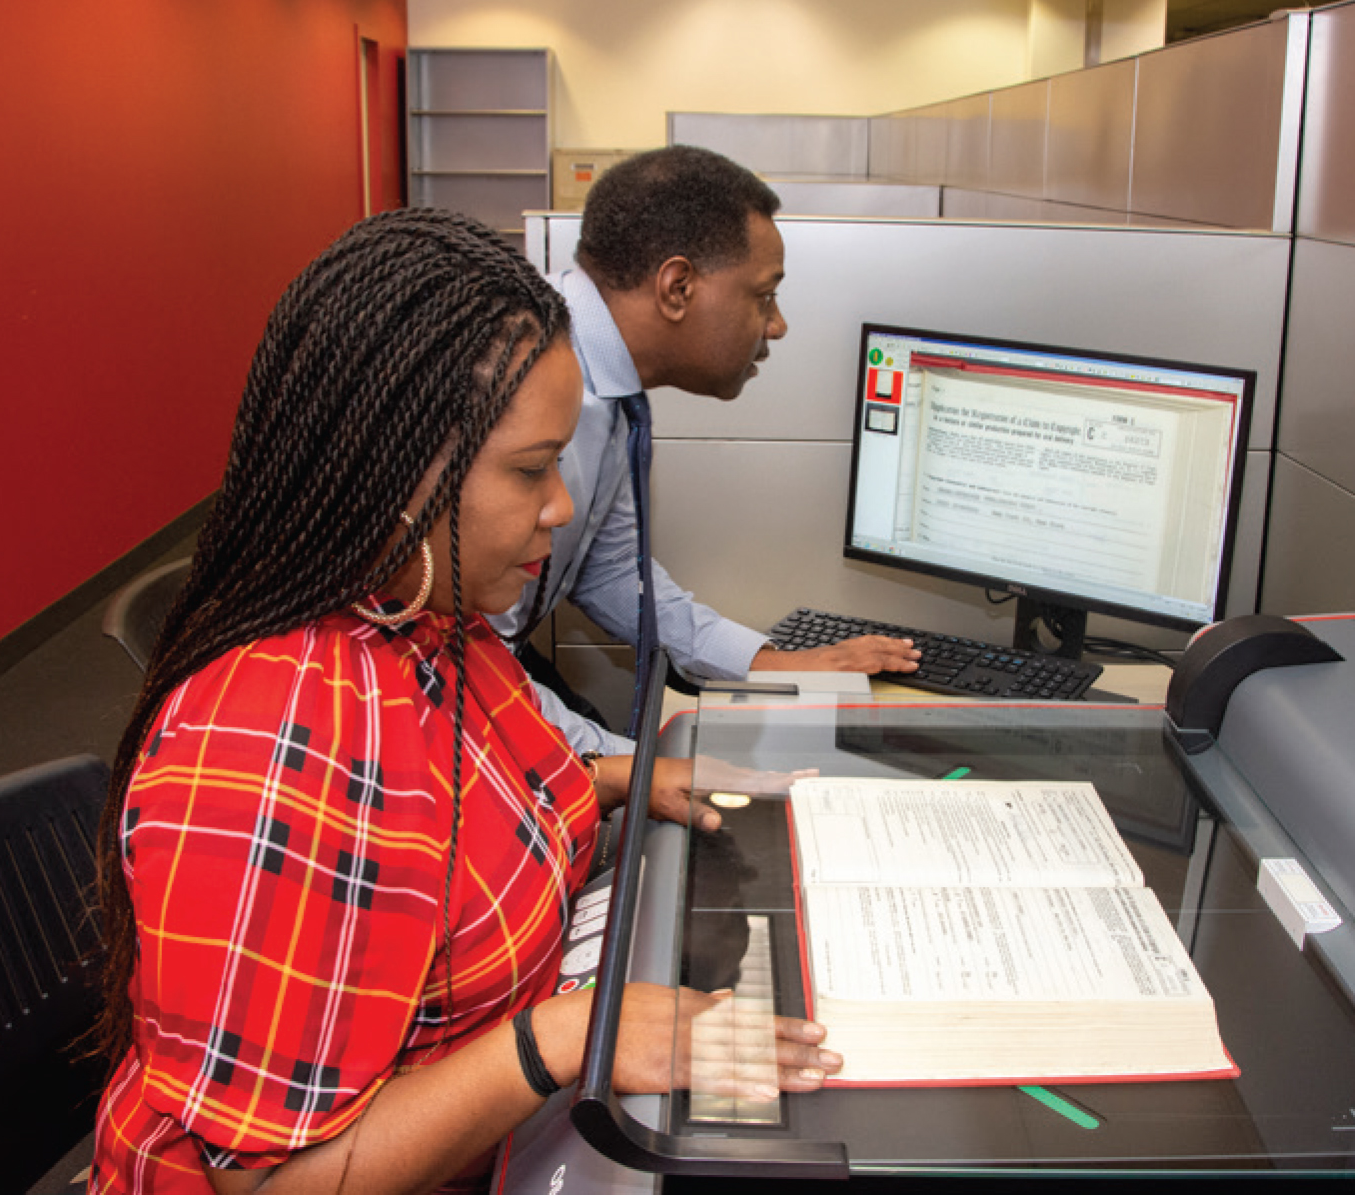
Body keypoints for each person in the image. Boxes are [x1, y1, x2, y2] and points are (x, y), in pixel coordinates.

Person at [88, 209, 838, 1194]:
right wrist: (558, 1041)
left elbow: (480, 783)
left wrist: (630, 777)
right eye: (532, 470)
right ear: (396, 468)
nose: (561, 506)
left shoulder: (424, 613)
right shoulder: (266, 751)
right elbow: (269, 1185)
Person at [489, 146, 921, 760]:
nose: (777, 325)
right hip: (461, 694)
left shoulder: (607, 380)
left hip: (494, 675)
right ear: (677, 287)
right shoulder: (522, 390)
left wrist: (775, 664)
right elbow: (452, 669)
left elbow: (610, 572)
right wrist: (631, 771)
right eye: (763, 296)